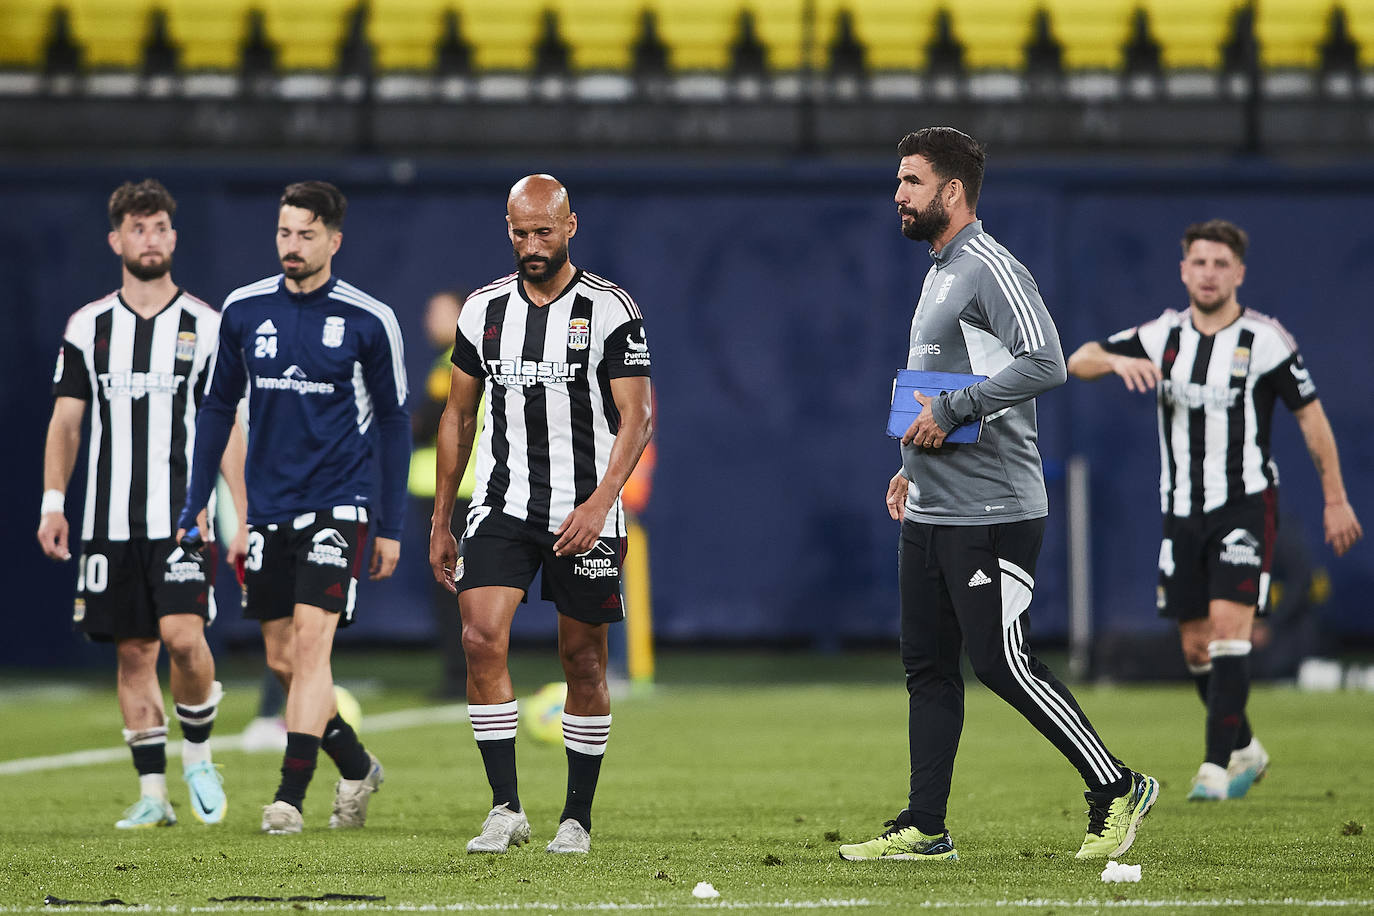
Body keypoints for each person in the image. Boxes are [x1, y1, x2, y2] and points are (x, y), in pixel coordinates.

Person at [838, 128, 1158, 864]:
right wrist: (908, 463)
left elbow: (1048, 362)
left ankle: (1116, 787)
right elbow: (940, 380)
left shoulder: (989, 265)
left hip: (994, 509)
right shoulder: (939, 268)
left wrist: (950, 414)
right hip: (932, 503)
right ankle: (926, 825)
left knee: (1001, 662)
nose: (898, 193)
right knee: (927, 667)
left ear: (952, 192)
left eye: (911, 181)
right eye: (899, 180)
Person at [1066, 218, 1362, 800]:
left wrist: (1336, 498)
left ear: (1239, 273)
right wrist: (1116, 362)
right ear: (1183, 270)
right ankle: (1246, 746)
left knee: (1232, 630)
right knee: (1196, 645)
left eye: (1220, 264)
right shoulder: (1163, 335)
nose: (1209, 273)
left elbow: (1312, 420)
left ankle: (1213, 767)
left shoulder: (1266, 340)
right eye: (1199, 262)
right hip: (1181, 510)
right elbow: (1079, 358)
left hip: (1246, 504)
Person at [177, 180, 411, 834]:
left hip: (340, 503)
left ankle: (289, 798)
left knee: (311, 649)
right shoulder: (245, 310)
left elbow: (393, 423)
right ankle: (358, 766)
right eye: (284, 232)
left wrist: (389, 527)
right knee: (282, 659)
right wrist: (199, 501)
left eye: (307, 235)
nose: (292, 245)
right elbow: (218, 407)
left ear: (335, 241)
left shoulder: (369, 319)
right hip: (268, 510)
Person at [429, 174, 653, 855]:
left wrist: (600, 502)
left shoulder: (611, 309)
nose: (531, 244)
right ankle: (505, 808)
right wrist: (443, 516)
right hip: (501, 502)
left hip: (583, 510)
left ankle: (576, 817)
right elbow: (457, 414)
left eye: (543, 231)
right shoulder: (483, 310)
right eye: (519, 232)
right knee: (478, 638)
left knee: (582, 660)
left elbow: (637, 418)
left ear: (571, 226)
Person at [36, 178, 242, 829]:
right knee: (132, 652)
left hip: (182, 518)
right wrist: (52, 502)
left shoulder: (206, 326)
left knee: (184, 639)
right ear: (116, 239)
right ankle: (154, 795)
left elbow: (228, 424)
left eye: (159, 228)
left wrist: (243, 509)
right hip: (106, 521)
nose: (149, 239)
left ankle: (200, 755)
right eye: (137, 228)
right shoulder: (88, 325)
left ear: (173, 238)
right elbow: (66, 422)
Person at [407, 288, 479, 699]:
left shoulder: (453, 364)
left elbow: (426, 425)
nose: (430, 322)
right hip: (448, 491)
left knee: (453, 589)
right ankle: (466, 674)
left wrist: (411, 423)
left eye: (441, 313)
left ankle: (460, 677)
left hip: (457, 495)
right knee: (461, 588)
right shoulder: (444, 363)